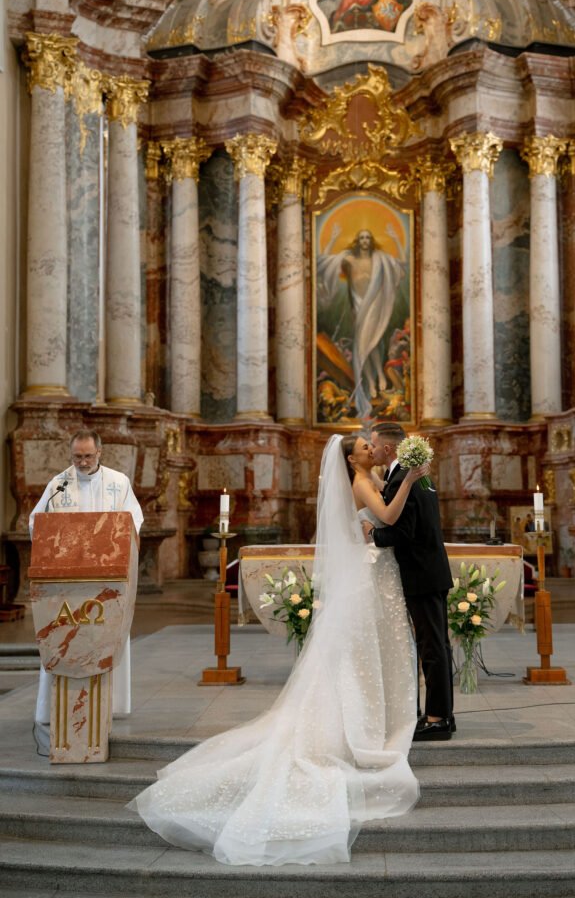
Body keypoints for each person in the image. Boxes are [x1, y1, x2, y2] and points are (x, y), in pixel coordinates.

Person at [129, 434, 422, 866]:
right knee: (356, 653)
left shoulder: (370, 476)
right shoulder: (362, 483)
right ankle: (360, 720)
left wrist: (399, 474)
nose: (370, 448)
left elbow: (382, 503)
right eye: (363, 446)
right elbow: (389, 514)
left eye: (370, 444)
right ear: (349, 458)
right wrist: (411, 480)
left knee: (364, 652)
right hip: (368, 574)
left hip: (375, 570)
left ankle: (374, 712)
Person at [29, 429, 143, 755]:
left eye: (88, 456)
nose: (82, 462)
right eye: (77, 456)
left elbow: (134, 522)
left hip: (107, 582)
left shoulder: (118, 482)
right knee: (61, 637)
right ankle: (52, 709)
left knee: (106, 635)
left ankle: (112, 704)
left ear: (99, 453)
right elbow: (36, 522)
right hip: (67, 584)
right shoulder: (59, 484)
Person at [365, 422, 455, 741]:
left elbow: (405, 532)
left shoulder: (405, 478)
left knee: (432, 647)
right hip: (430, 570)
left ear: (388, 448)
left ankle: (437, 719)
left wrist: (373, 534)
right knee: (438, 645)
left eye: (374, 444)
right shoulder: (412, 475)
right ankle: (443, 715)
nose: (371, 449)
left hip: (421, 573)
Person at [318, 225, 405, 419]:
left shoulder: (380, 259)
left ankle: (378, 377)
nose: (365, 241)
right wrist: (332, 239)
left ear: (371, 241)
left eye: (367, 237)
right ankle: (373, 380)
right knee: (362, 345)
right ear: (357, 242)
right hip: (358, 307)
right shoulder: (350, 260)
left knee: (373, 342)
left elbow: (401, 266)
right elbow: (325, 263)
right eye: (362, 238)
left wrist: (396, 240)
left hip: (374, 304)